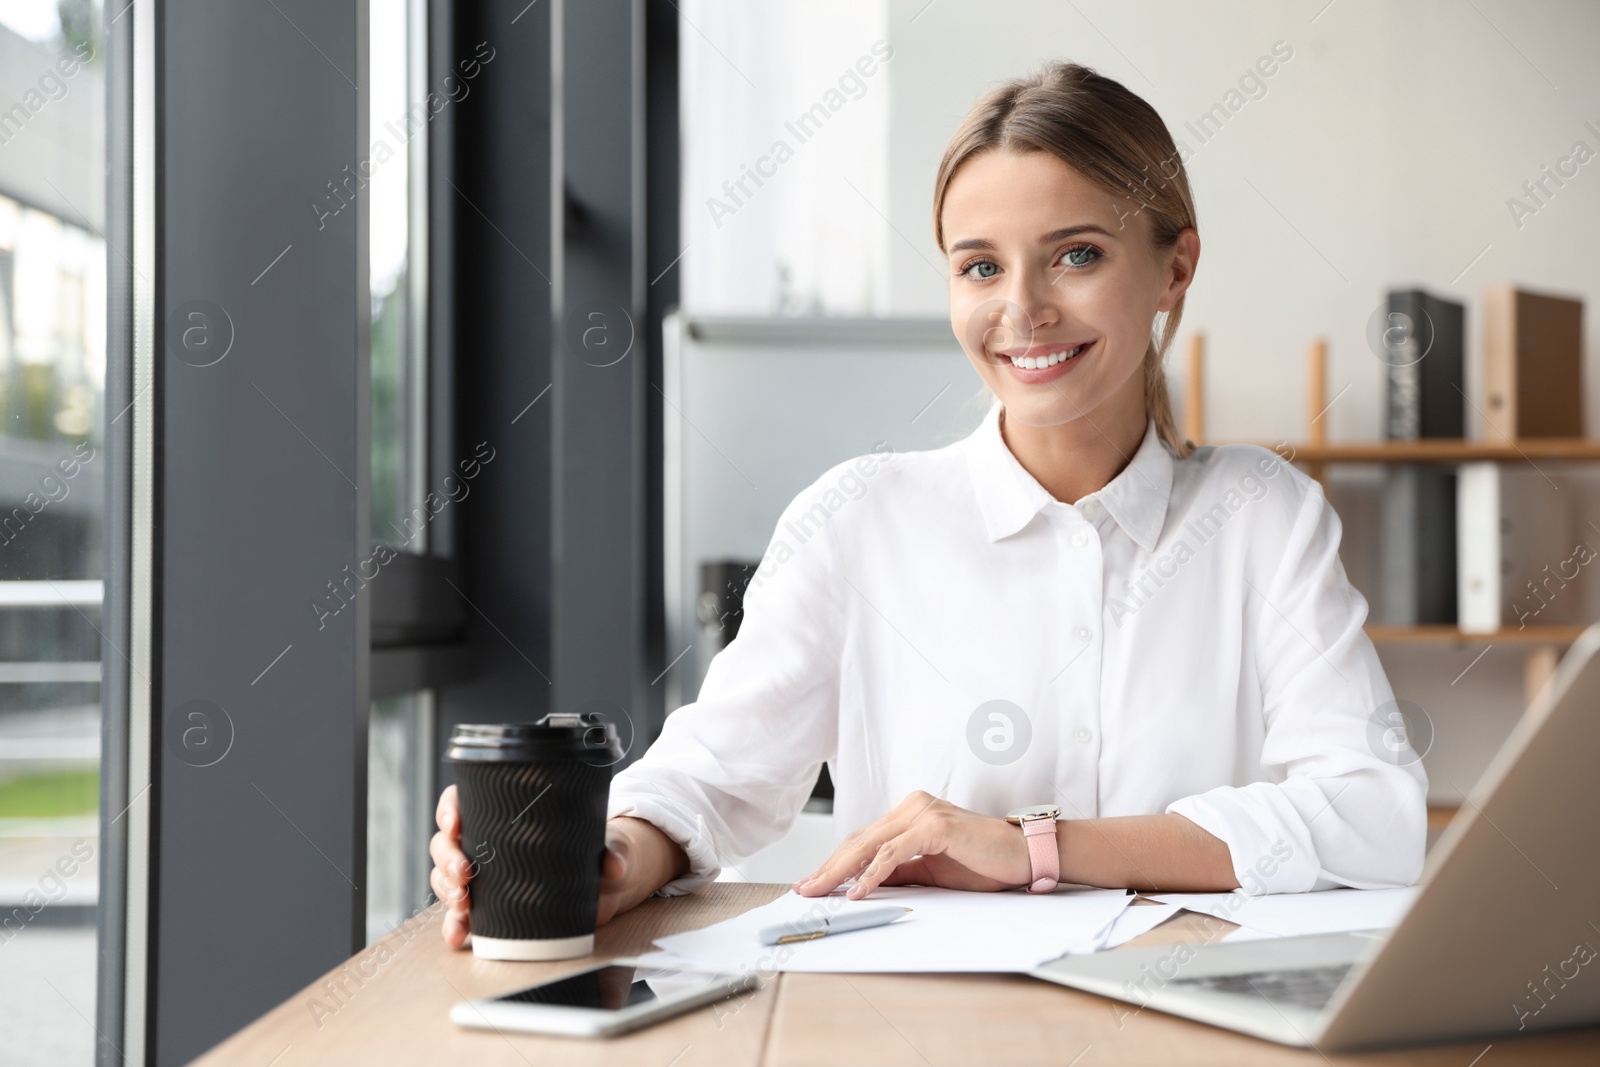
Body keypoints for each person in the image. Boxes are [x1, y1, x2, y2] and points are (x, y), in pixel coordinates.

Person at [429, 61, 1427, 947]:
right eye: (980, 265)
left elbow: (1372, 813)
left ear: (1174, 266)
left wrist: (1027, 847)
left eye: (1076, 254)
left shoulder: (1263, 515)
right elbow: (711, 777)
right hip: (921, 1024)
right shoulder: (858, 518)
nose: (1022, 307)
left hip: (1192, 1017)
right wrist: (609, 854)